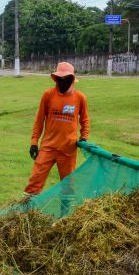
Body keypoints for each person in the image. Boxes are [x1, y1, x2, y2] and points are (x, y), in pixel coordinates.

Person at [23, 62, 90, 196]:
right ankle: (26, 212)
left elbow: (85, 120)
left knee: (67, 186)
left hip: (68, 150)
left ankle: (64, 215)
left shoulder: (80, 98)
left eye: (66, 79)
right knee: (34, 182)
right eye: (61, 79)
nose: (63, 81)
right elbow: (39, 120)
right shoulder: (48, 95)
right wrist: (34, 142)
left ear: (72, 79)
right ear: (56, 79)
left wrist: (84, 137)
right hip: (48, 147)